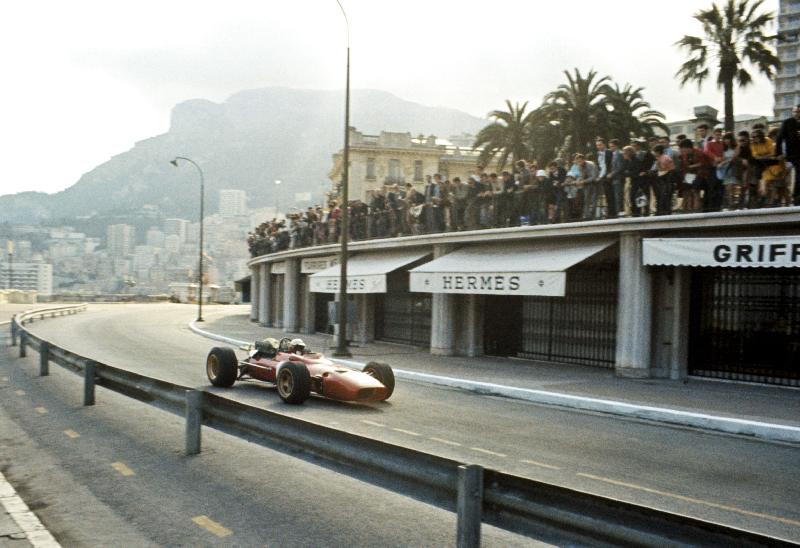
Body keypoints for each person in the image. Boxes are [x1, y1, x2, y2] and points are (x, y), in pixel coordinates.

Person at [775, 104, 800, 205]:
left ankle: (796, 195)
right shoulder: (787, 122)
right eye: (795, 112)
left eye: (798, 112)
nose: (797, 114)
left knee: (798, 174)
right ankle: (795, 196)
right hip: (791, 154)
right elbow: (779, 138)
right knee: (796, 175)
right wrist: (779, 152)